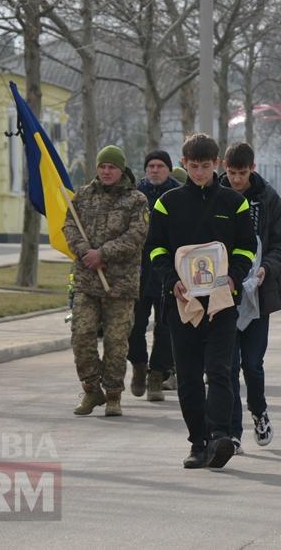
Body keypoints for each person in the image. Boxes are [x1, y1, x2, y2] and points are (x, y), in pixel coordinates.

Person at [147, 133, 257, 468]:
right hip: (182, 304)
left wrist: (234, 276)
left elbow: (246, 247)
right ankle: (198, 443)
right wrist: (172, 281)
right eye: (193, 167)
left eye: (205, 167)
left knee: (220, 370)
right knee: (190, 376)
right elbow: (155, 248)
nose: (199, 173)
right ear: (184, 164)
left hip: (222, 302)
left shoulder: (233, 202)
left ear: (217, 165)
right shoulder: (168, 202)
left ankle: (221, 437)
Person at [64, 145, 149, 417]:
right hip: (87, 282)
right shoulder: (83, 196)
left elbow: (136, 236)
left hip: (120, 285)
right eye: (102, 166)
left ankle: (113, 394)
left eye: (111, 167)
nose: (106, 171)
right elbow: (69, 226)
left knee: (116, 342)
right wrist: (85, 253)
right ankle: (91, 390)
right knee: (81, 336)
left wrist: (103, 254)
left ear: (121, 169)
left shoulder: (136, 200)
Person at [221, 142, 281, 454]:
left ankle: (259, 411)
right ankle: (233, 432)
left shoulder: (268, 200)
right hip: (223, 295)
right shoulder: (216, 196)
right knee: (228, 365)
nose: (236, 179)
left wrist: (267, 269)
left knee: (252, 363)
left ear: (252, 168)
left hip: (258, 296)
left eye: (242, 173)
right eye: (231, 173)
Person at [128, 150, 179, 402]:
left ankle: (157, 374)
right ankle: (138, 365)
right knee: (134, 325)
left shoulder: (178, 195)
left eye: (160, 166)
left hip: (169, 271)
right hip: (137, 272)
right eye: (151, 166)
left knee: (166, 328)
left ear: (169, 169)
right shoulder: (134, 196)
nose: (155, 170)